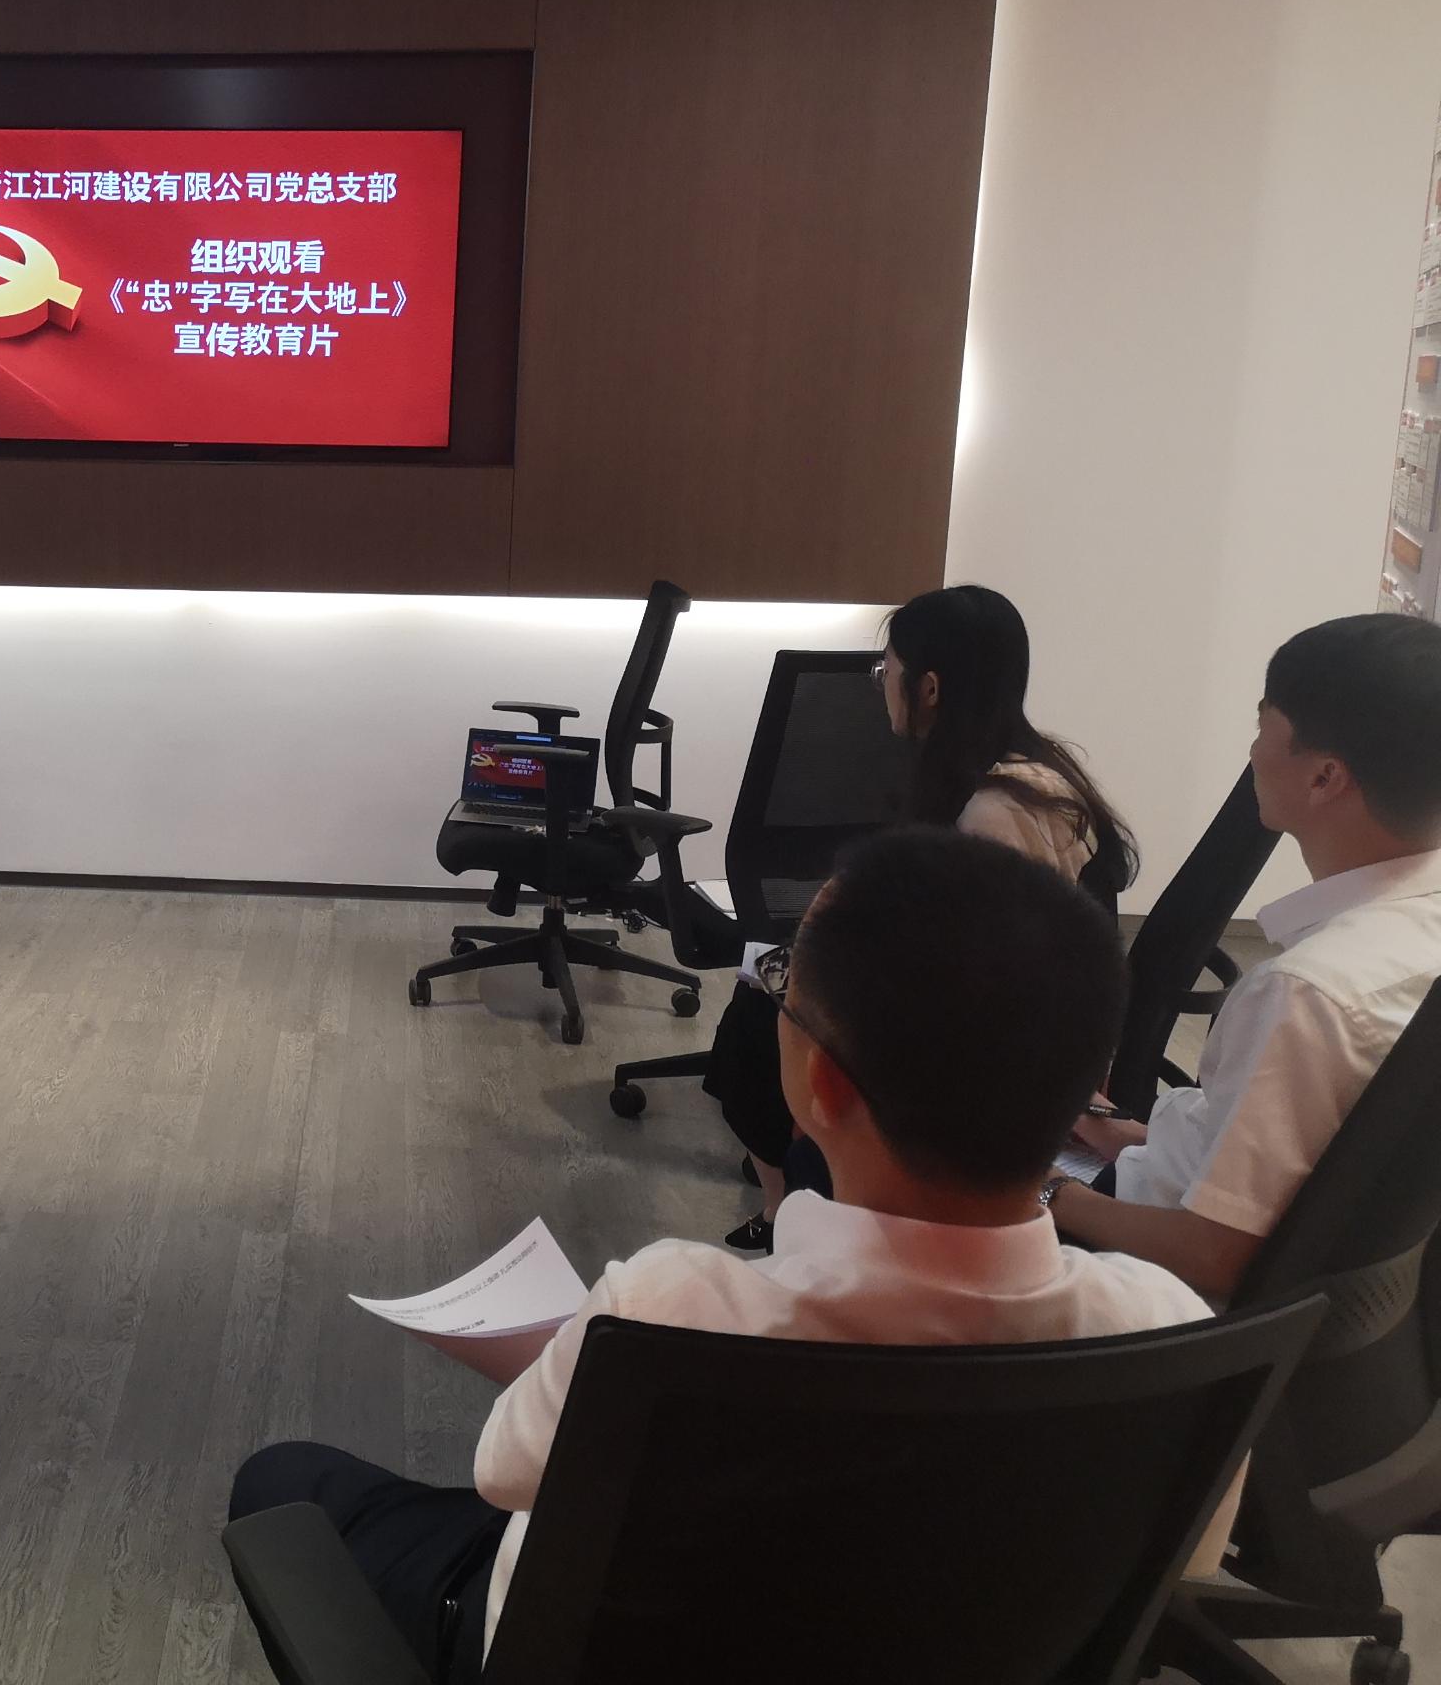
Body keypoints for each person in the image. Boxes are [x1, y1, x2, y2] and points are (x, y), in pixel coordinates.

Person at [231, 829, 1213, 1684]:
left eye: (783, 984)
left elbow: (506, 1472)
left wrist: (570, 1355)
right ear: (1088, 1087)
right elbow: (1192, 1559)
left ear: (822, 1083)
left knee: (286, 1480)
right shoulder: (1165, 1329)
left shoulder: (669, 1311)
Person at [710, 582, 1138, 1250]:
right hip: (1036, 1034)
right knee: (769, 989)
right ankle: (792, 1190)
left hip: (989, 1059)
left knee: (756, 1018)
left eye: (887, 671)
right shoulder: (1037, 769)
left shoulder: (993, 813)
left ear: (929, 688)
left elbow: (974, 988)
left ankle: (787, 1206)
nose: (883, 685)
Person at [1053, 614, 1441, 1301]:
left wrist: (1043, 1193)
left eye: (1264, 726)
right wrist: (1113, 1129)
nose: (1254, 750)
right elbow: (1279, 1157)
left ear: (1324, 777)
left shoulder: (1307, 993)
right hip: (1179, 1191)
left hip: (1151, 1275)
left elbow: (1212, 1256)